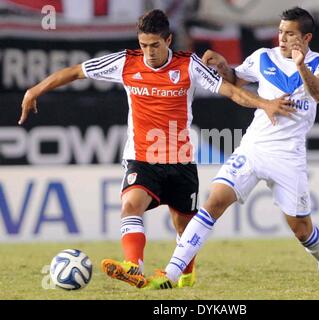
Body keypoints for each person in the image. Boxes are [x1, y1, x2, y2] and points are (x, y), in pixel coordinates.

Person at [18, 9, 295, 289]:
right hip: (141, 158)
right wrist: (34, 91)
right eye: (143, 45)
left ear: (168, 40)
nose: (149, 52)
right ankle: (133, 266)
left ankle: (186, 271)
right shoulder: (126, 63)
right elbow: (76, 71)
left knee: (184, 227)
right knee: (130, 205)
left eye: (155, 45)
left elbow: (232, 91)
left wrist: (266, 104)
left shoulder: (189, 66)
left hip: (180, 160)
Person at [144, 6, 319, 289]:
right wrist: (223, 67)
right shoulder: (263, 57)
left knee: (301, 229)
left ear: (306, 38)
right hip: (253, 147)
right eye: (281, 31)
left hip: (288, 156)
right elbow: (234, 80)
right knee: (213, 203)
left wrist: (300, 65)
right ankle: (171, 273)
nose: (282, 38)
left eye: (290, 34)